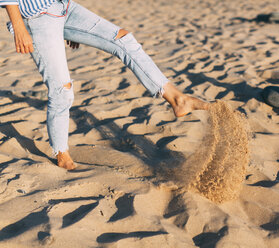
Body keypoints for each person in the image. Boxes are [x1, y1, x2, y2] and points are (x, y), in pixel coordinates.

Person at [1, 0, 209, 170]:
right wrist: (18, 25)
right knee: (62, 91)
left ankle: (178, 99)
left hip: (64, 8)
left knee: (123, 39)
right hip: (36, 18)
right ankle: (62, 155)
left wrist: (69, 29)